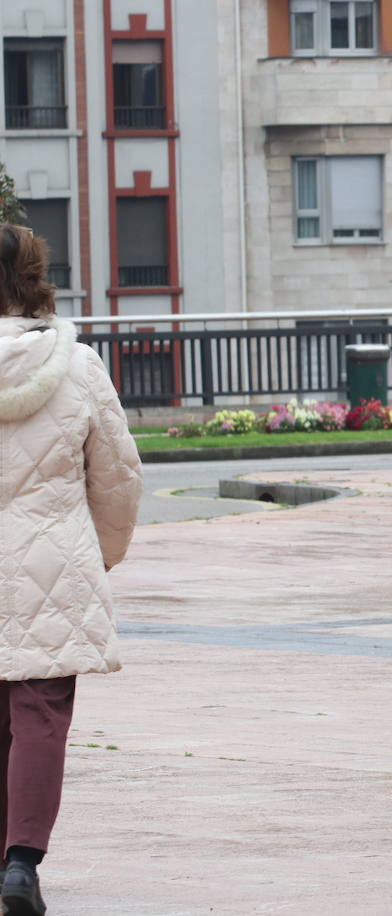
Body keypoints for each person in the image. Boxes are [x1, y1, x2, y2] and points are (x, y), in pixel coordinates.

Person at [0, 223, 143, 914]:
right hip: (52, 557)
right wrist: (103, 555)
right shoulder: (78, 364)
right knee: (40, 715)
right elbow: (118, 477)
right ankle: (21, 863)